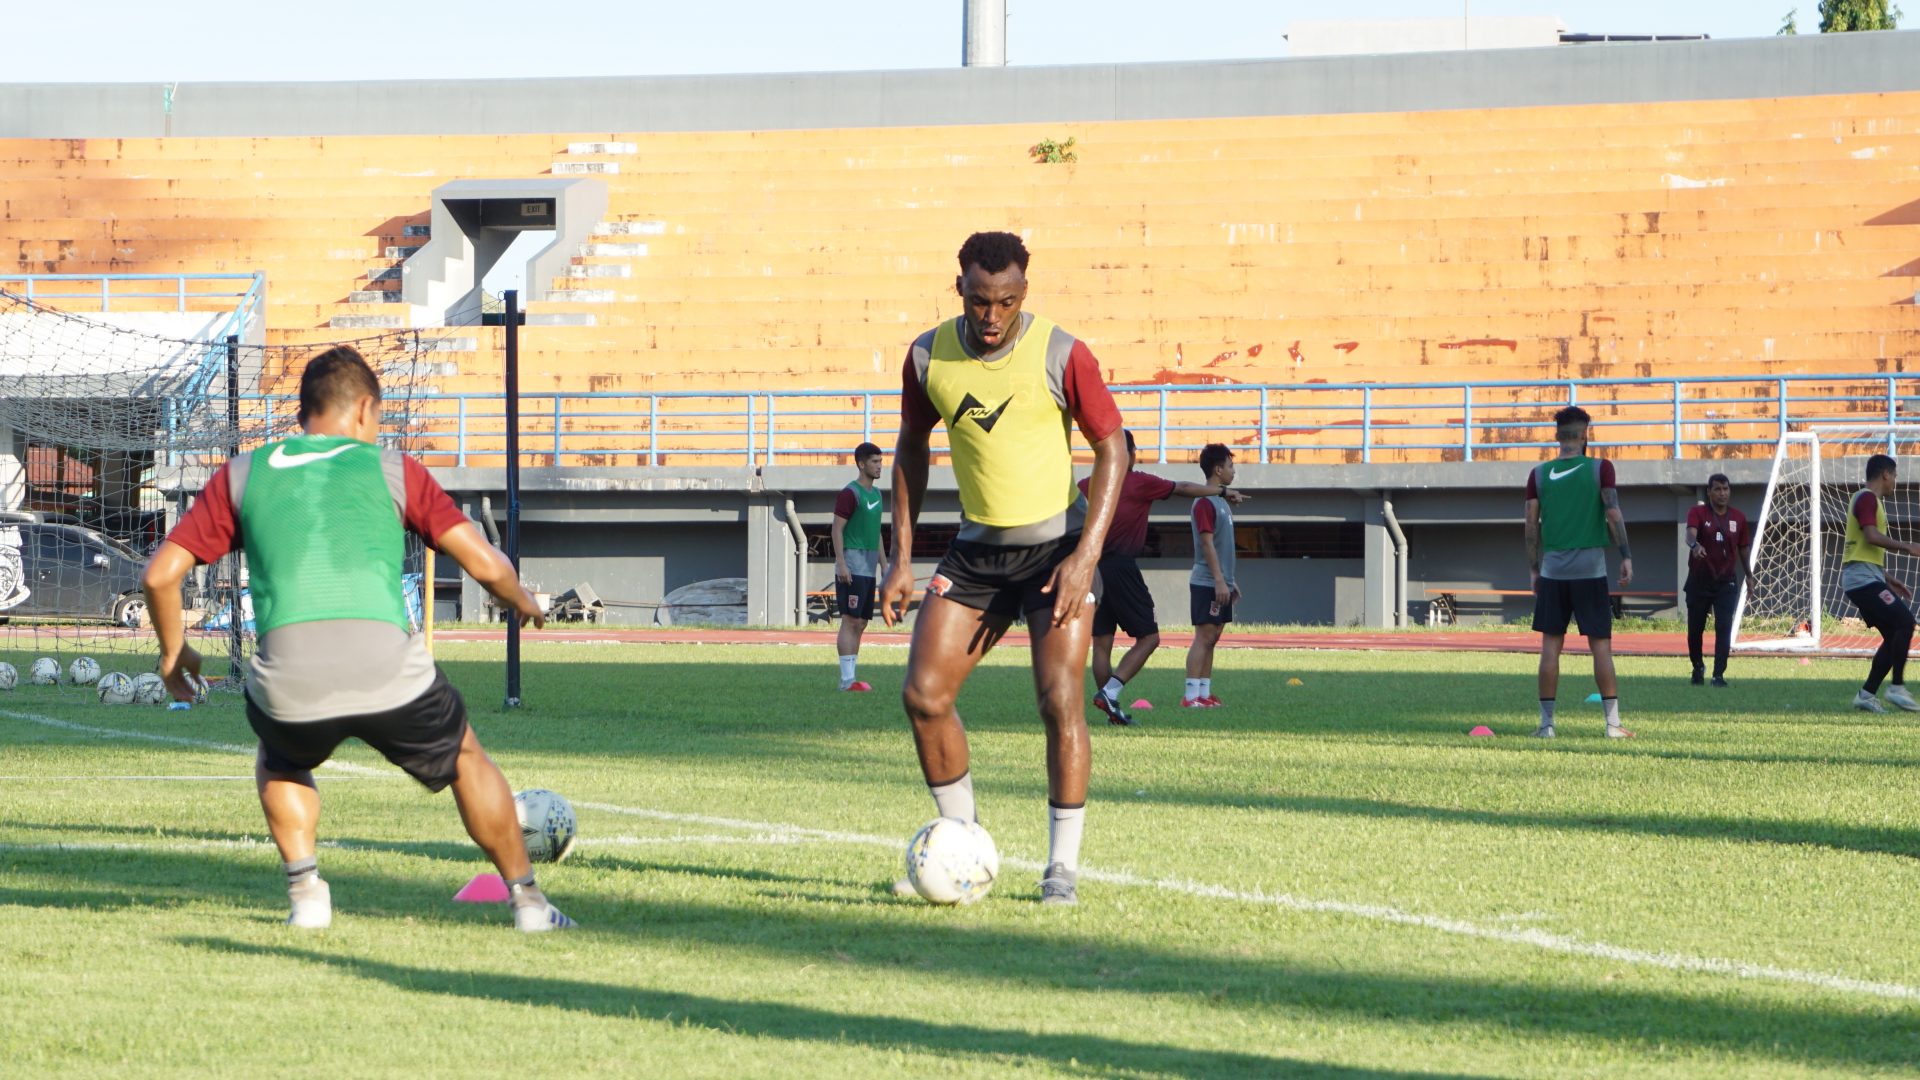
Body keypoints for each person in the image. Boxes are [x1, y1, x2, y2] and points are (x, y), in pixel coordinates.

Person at [141, 346, 574, 932]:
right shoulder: (393, 468)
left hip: (289, 679)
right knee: (467, 759)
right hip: (386, 668)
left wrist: (173, 653)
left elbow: (161, 575)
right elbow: (485, 564)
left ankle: (307, 895)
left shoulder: (242, 473)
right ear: (366, 409)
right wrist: (520, 599)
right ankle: (528, 903)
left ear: (304, 415)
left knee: (281, 758)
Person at [880, 230, 1126, 905]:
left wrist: (1086, 556)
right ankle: (965, 848)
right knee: (923, 695)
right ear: (958, 285)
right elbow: (910, 448)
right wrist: (900, 557)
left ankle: (1062, 871)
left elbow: (1114, 451)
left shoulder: (1062, 352)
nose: (992, 318)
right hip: (977, 553)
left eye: (1008, 302)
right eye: (981, 301)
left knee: (1059, 698)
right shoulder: (928, 355)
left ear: (1025, 292)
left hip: (1058, 552)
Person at [1080, 430, 1247, 725]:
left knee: (1102, 642)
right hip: (1120, 566)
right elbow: (1181, 486)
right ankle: (1111, 692)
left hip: (1091, 569)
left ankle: (1108, 704)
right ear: (1125, 453)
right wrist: (1220, 491)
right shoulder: (1137, 481)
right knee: (1149, 637)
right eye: (1134, 451)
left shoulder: (1086, 485)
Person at [1525, 405, 1633, 739]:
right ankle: (1612, 725)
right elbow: (1613, 514)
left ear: (1557, 435)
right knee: (1601, 647)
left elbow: (1531, 525)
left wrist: (1534, 568)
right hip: (1591, 570)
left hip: (1553, 570)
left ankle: (1546, 726)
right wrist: (1626, 556)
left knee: (1549, 648)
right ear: (1586, 433)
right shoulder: (1601, 469)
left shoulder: (1539, 474)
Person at [1840, 453, 1920, 713]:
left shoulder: (1869, 500)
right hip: (1862, 581)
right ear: (1885, 474)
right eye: (1895, 476)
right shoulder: (1866, 498)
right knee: (1906, 623)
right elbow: (1871, 536)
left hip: (1868, 577)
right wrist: (1906, 546)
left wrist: (1887, 578)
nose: (1895, 481)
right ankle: (1896, 687)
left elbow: (1861, 549)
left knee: (1894, 636)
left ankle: (1866, 694)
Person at [1183, 444, 1242, 708]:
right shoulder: (1205, 502)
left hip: (1220, 581)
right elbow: (1206, 545)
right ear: (1218, 470)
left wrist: (1230, 581)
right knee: (1204, 637)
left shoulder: (1220, 502)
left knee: (1214, 637)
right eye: (1230, 466)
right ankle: (1190, 697)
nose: (1233, 471)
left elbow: (1220, 545)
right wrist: (1219, 579)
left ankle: (1204, 694)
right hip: (1207, 581)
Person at [1684, 473, 1753, 687]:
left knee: (1724, 626)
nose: (1722, 493)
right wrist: (1695, 546)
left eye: (1726, 489)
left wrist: (1749, 576)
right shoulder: (1697, 512)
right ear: (1709, 492)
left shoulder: (1738, 518)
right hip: (1699, 580)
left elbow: (1743, 549)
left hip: (1726, 582)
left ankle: (1718, 675)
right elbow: (1689, 535)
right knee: (1695, 628)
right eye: (1717, 489)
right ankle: (1697, 666)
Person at [832, 442, 885, 691]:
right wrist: (841, 562)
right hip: (852, 565)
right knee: (850, 620)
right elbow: (837, 529)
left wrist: (884, 565)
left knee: (862, 622)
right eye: (874, 461)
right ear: (861, 464)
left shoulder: (877, 495)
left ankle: (852, 678)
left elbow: (877, 533)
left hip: (869, 567)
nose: (879, 466)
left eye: (881, 461)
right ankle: (846, 681)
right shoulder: (850, 493)